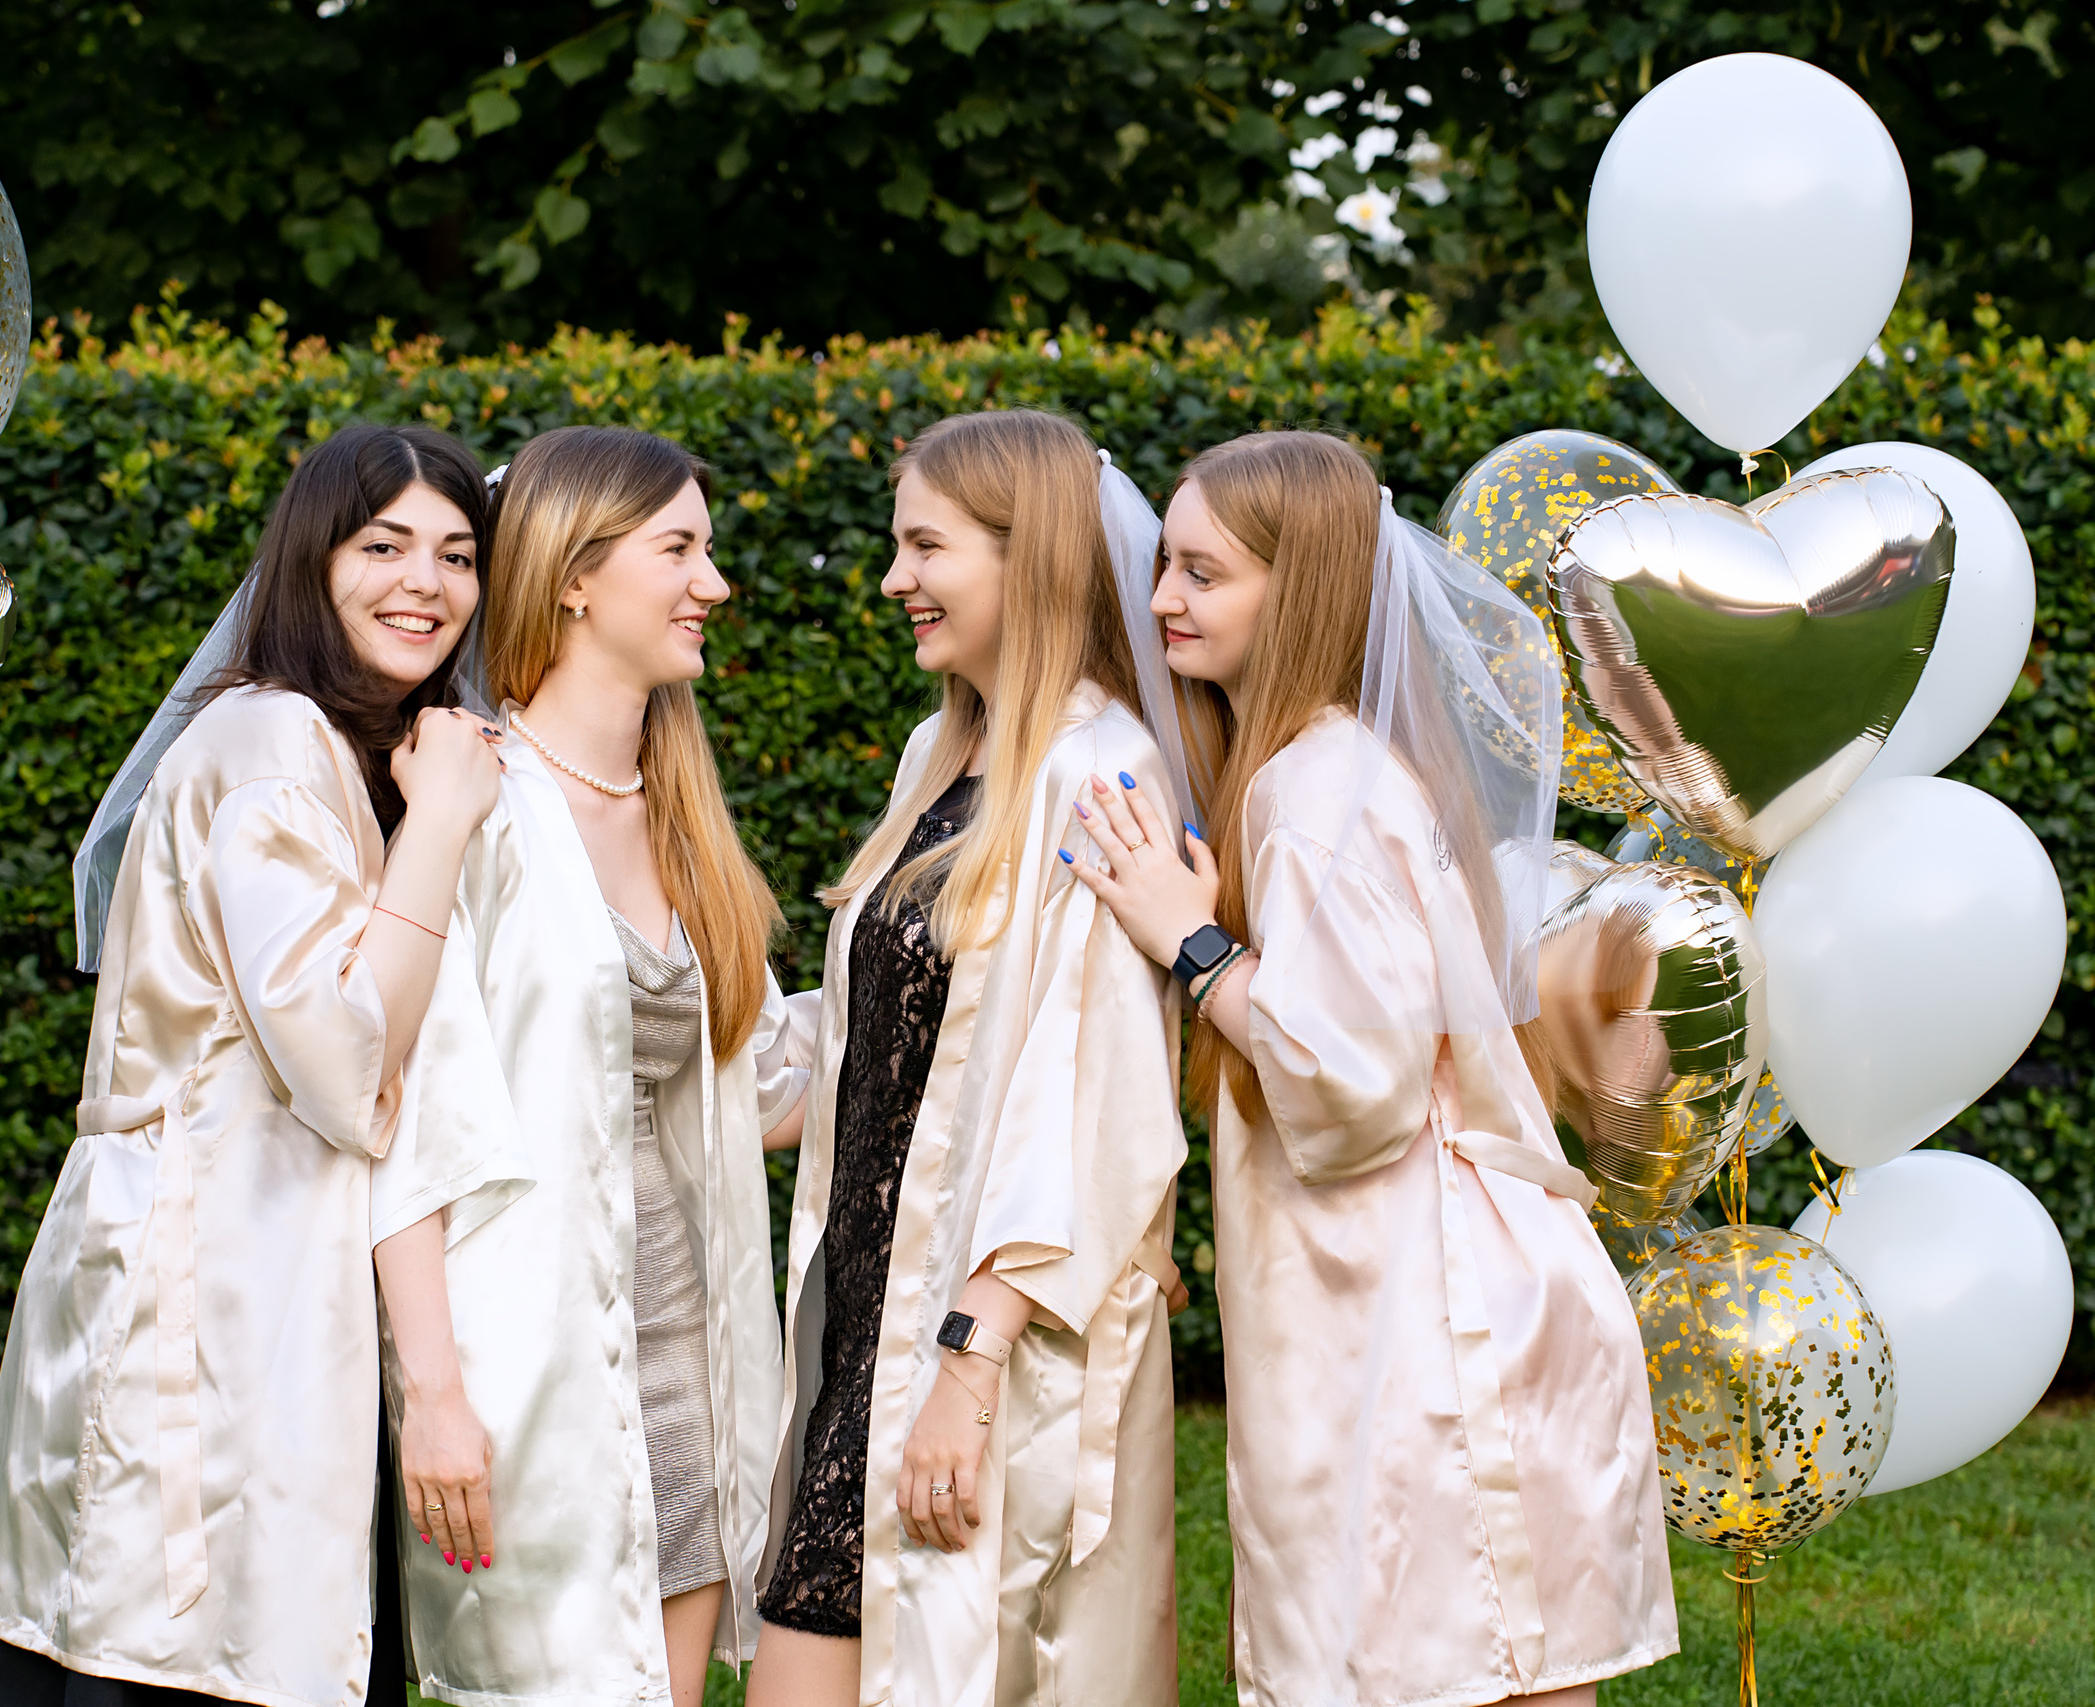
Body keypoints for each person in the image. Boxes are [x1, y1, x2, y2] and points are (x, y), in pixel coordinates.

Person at [1061, 429, 1678, 1706]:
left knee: (1430, 1663)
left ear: (1304, 589)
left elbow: (1353, 1091)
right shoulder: (1339, 769)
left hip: (1425, 1319)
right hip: (1441, 1293)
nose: (1163, 599)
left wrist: (1192, 943)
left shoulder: (1310, 795)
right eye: (1165, 567)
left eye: (1203, 574)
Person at [0, 423, 508, 1707]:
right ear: (310, 561)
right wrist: (442, 826)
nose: (424, 582)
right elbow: (346, 1057)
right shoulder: (270, 743)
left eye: (456, 554)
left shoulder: (327, 744)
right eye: (382, 546)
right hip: (215, 1290)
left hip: (234, 1267)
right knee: (185, 1646)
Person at [747, 409, 1191, 1707]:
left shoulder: (1102, 776)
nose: (896, 578)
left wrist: (969, 1359)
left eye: (924, 544)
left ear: (1030, 554)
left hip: (984, 1348)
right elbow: (865, 1050)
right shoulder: (939, 756)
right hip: (869, 1331)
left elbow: (1095, 1103)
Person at [367, 424, 811, 1707]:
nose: (712, 585)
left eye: (708, 552)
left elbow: (768, 1083)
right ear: (572, 573)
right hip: (526, 1355)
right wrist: (434, 1394)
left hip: (691, 1341)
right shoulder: (473, 803)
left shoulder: (683, 817)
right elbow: (401, 1109)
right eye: (679, 549)